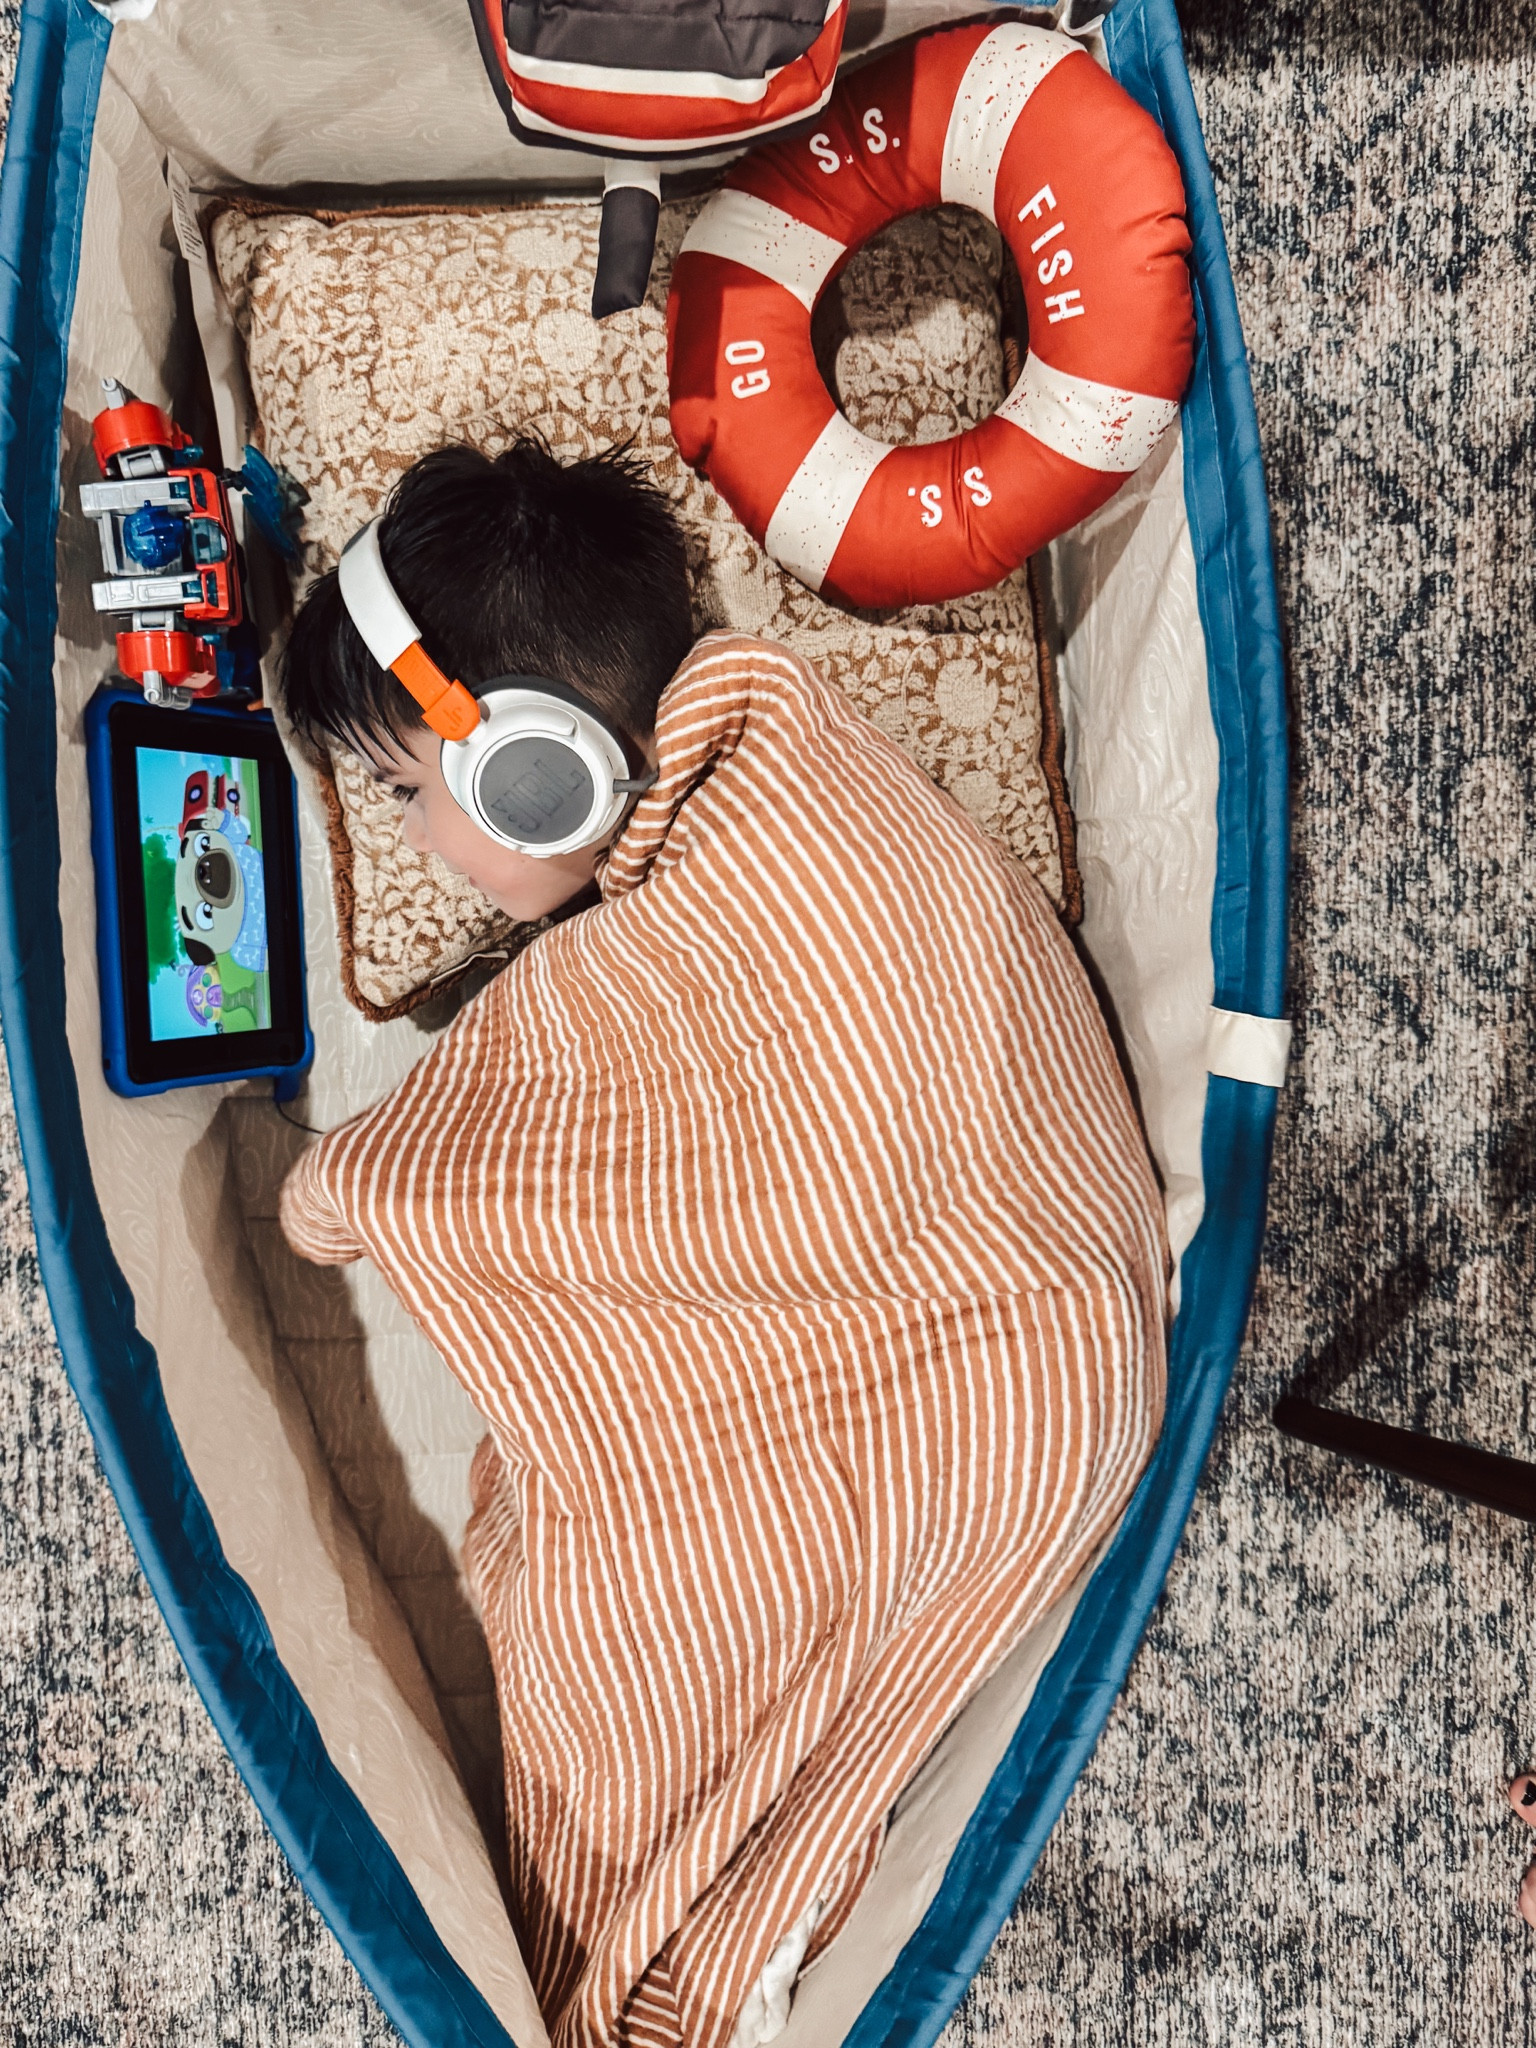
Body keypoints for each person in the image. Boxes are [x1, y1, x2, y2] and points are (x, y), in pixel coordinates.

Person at [278, 436, 1168, 2048]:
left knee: (620, 1632)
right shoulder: (781, 785)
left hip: (994, 1360)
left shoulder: (758, 846)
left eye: (414, 793)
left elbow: (412, 1181)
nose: (414, 844)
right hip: (1064, 1361)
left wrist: (335, 1184)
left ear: (533, 769)